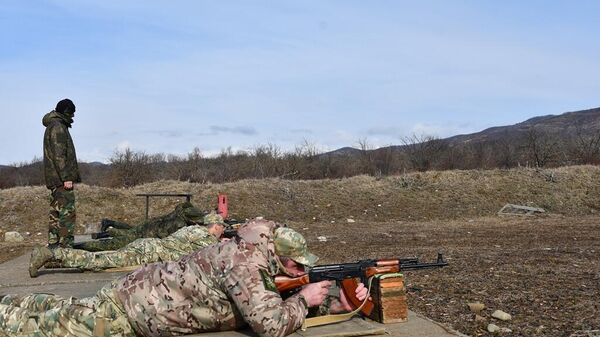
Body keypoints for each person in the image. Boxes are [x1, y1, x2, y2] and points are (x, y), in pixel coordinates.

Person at [0, 219, 367, 337]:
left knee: (56, 312)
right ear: (277, 255)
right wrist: (306, 300)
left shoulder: (254, 252)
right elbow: (269, 323)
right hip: (126, 313)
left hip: (137, 296)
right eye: (296, 266)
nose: (301, 272)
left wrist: (342, 302)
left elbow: (269, 299)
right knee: (40, 327)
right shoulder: (245, 264)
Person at [28, 213, 226, 277]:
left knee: (103, 258)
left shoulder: (192, 229)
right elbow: (212, 256)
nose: (222, 231)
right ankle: (50, 254)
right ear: (215, 226)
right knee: (101, 260)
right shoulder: (206, 238)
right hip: (147, 254)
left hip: (147, 246)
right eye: (221, 228)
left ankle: (54, 261)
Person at [76, 201, 207, 252]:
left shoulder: (179, 214)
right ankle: (78, 246)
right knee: (111, 245)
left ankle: (109, 230)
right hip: (142, 237)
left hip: (147, 227)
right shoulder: (179, 224)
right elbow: (170, 241)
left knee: (128, 231)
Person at [42, 98, 81, 248]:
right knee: (67, 214)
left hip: (55, 179)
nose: (73, 116)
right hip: (61, 179)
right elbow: (59, 155)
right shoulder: (58, 127)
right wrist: (66, 178)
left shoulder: (54, 125)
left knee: (55, 213)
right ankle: (66, 248)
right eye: (72, 113)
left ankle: (53, 246)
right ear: (66, 112)